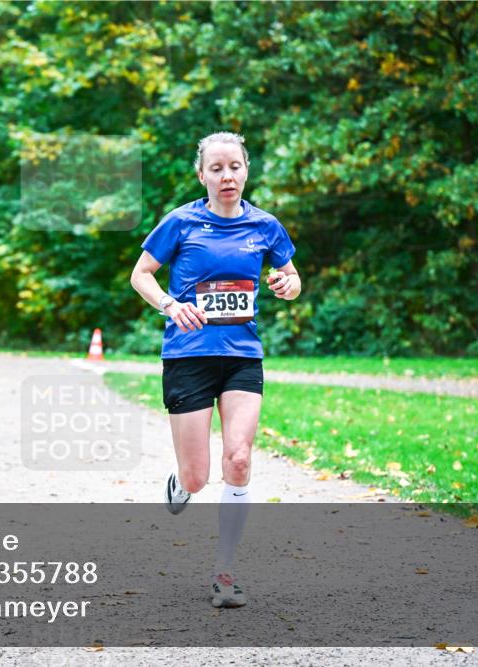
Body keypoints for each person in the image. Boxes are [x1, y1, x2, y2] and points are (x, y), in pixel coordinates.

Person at [129, 132, 301, 609]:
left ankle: (225, 573)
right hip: (187, 356)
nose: (227, 176)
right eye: (217, 168)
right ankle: (181, 485)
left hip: (243, 355)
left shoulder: (266, 226)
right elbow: (140, 274)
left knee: (240, 459)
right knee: (198, 476)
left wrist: (288, 285)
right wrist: (169, 305)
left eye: (235, 167)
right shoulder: (181, 222)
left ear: (247, 170)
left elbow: (292, 275)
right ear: (201, 174)